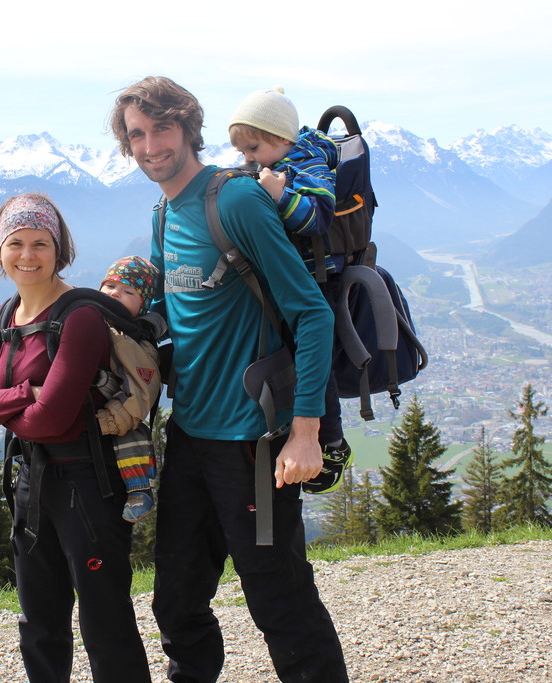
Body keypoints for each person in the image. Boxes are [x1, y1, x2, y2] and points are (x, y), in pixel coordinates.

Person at [110, 76, 348, 682]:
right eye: (136, 134)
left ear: (189, 129)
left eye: (161, 128)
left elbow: (311, 313)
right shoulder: (165, 209)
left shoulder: (235, 200)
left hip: (255, 444)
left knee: (280, 601)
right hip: (190, 435)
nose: (149, 145)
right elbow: (175, 310)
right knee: (177, 600)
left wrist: (304, 432)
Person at [0, 193, 151, 683]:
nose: (28, 255)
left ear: (58, 248)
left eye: (40, 243)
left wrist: (3, 398)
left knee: (104, 618)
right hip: (32, 482)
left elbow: (53, 420)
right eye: (16, 243)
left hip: (87, 483)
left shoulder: (81, 317)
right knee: (39, 620)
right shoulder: (3, 318)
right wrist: (29, 394)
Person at [228, 86, 353, 494]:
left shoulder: (309, 161)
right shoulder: (275, 160)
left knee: (315, 364)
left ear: (283, 139)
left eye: (254, 146)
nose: (247, 157)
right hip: (295, 277)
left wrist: (279, 194)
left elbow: (317, 217)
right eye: (241, 149)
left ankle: (330, 441)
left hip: (321, 280)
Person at [94, 255, 162, 522]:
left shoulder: (134, 339)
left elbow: (141, 392)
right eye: (110, 286)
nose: (114, 294)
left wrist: (110, 421)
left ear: (142, 304)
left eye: (127, 292)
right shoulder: (88, 315)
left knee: (132, 438)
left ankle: (139, 491)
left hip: (118, 410)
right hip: (99, 398)